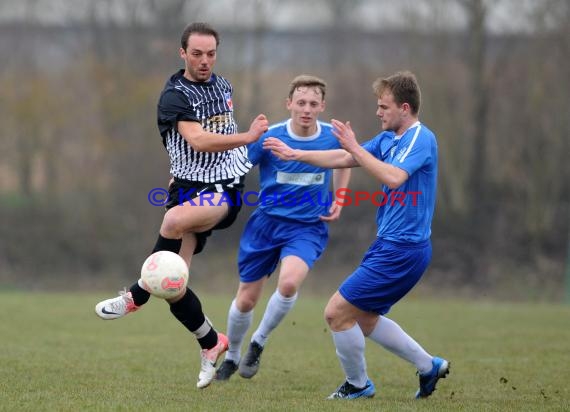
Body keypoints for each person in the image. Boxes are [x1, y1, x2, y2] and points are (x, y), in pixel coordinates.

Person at [94, 22, 269, 390]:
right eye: (197, 54)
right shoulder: (173, 96)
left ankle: (133, 296)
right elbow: (197, 140)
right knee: (173, 284)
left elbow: (215, 139)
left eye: (211, 53)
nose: (205, 61)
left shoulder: (223, 86)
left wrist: (244, 147)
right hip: (187, 188)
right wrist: (248, 137)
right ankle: (211, 342)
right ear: (182, 54)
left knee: (173, 220)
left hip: (224, 188)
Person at [263, 71, 449, 399]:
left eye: (384, 107)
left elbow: (393, 177)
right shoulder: (389, 139)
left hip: (403, 249)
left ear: (404, 108)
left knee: (336, 313)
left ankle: (358, 385)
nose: (378, 112)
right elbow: (345, 157)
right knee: (362, 318)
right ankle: (427, 366)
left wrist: (352, 146)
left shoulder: (421, 138)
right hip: (390, 245)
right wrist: (296, 154)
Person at [214, 75, 351, 381]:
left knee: (289, 284)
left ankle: (258, 343)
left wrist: (339, 199)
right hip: (266, 224)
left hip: (307, 227)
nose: (306, 109)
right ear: (289, 103)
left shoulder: (333, 136)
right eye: (301, 102)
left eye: (313, 104)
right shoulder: (270, 136)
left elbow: (346, 161)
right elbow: (235, 169)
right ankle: (233, 356)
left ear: (322, 106)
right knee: (246, 299)